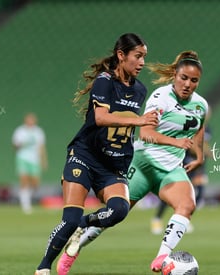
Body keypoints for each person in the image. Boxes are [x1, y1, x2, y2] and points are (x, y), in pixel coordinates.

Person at [56, 50, 209, 274]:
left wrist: (199, 156)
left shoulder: (200, 104)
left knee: (187, 205)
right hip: (143, 164)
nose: (187, 84)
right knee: (113, 215)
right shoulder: (161, 97)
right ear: (174, 75)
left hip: (169, 170)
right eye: (183, 78)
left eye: (193, 80)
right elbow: (146, 132)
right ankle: (75, 247)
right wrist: (176, 143)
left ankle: (162, 258)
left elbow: (199, 127)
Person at [34, 33, 159, 275]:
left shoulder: (140, 90)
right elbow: (100, 118)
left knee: (119, 210)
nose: (142, 62)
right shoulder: (104, 81)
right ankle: (43, 268)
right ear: (121, 56)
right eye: (138, 56)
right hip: (85, 156)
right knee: (69, 219)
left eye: (144, 56)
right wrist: (140, 121)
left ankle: (83, 225)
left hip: (113, 165)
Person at [151, 125, 212, 234]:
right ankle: (157, 219)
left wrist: (206, 154)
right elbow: (193, 145)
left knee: (198, 193)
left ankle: (183, 219)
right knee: (171, 194)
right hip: (183, 162)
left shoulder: (207, 128)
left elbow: (205, 146)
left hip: (198, 165)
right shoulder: (186, 125)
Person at [12, 112, 47, 214]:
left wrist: (43, 160)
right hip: (23, 158)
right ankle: (25, 204)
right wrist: (18, 145)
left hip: (35, 160)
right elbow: (15, 146)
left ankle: (26, 197)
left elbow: (41, 147)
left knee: (35, 183)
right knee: (24, 180)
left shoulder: (38, 132)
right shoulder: (20, 131)